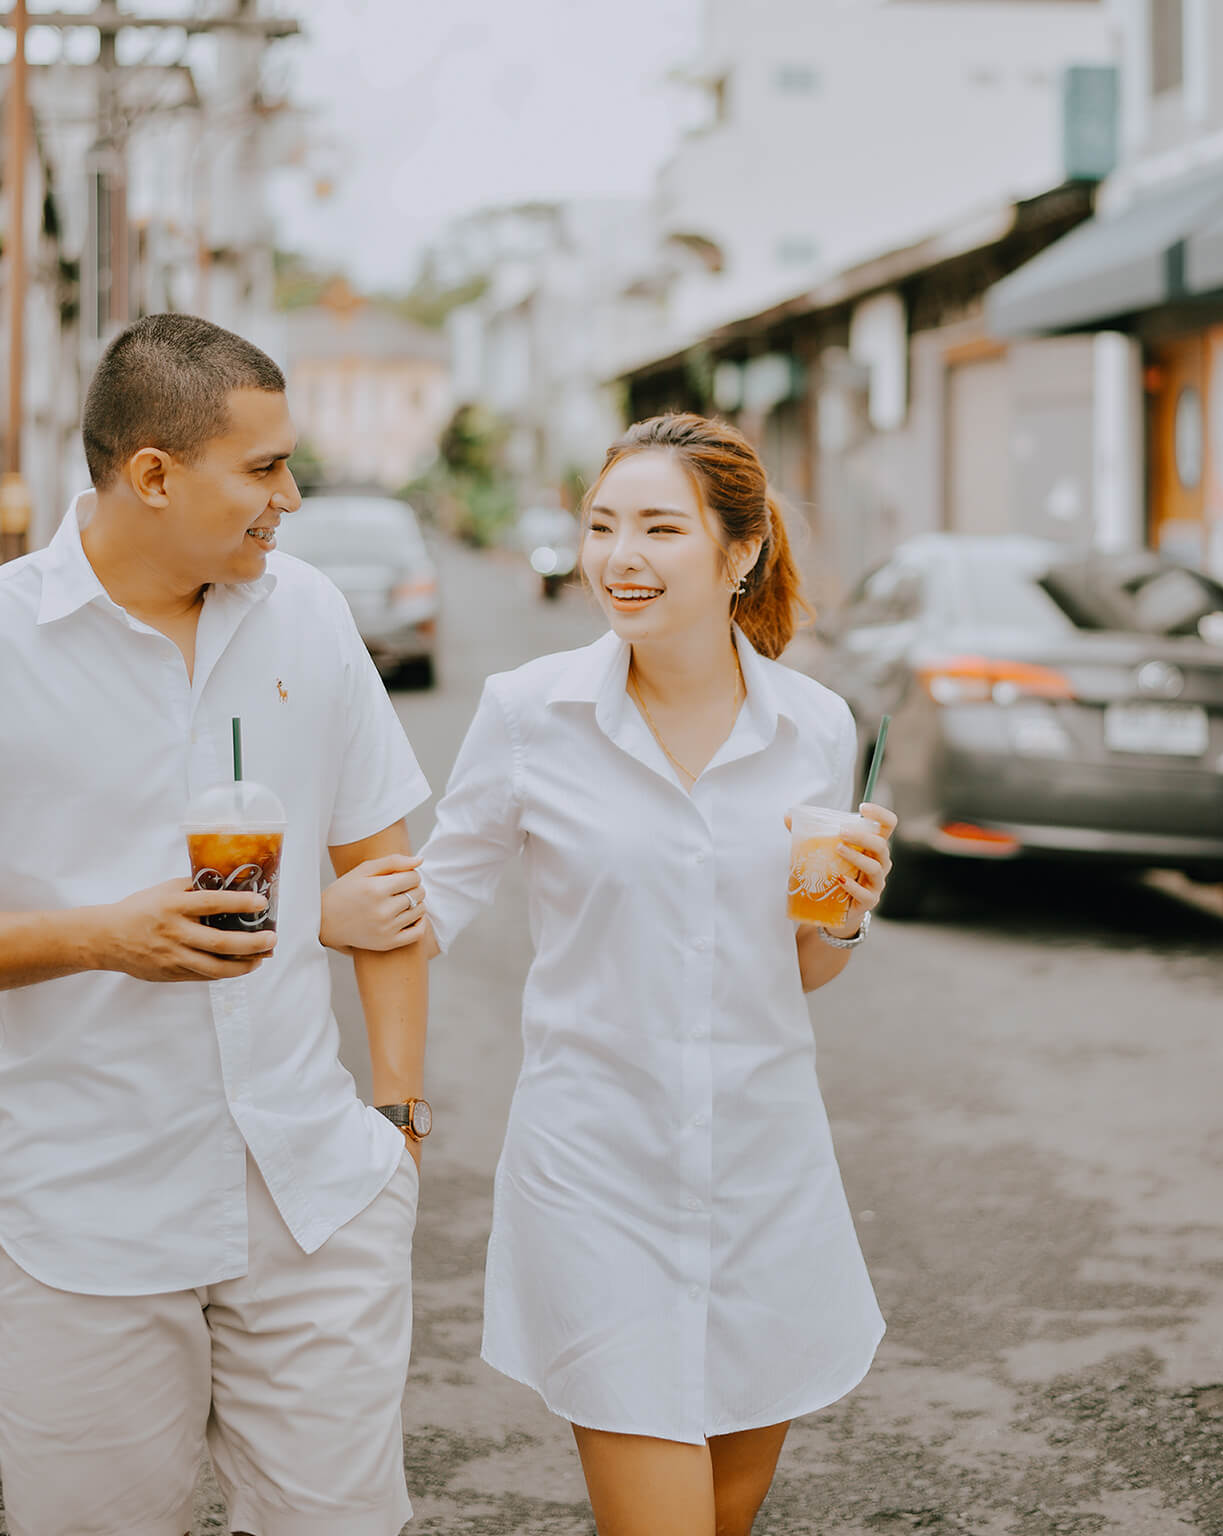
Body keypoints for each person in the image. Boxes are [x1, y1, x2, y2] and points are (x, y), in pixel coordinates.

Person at [419, 411, 891, 1536]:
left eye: (657, 528)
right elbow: (425, 902)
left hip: (764, 1175)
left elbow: (804, 969)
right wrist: (323, 917)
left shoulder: (814, 728)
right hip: (596, 1174)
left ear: (739, 552)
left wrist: (848, 912)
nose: (618, 556)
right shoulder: (530, 715)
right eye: (601, 525)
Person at [0, 313, 435, 1536]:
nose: (290, 496)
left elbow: (386, 872)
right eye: (263, 468)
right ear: (151, 473)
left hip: (313, 1192)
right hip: (80, 1210)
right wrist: (99, 936)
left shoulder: (305, 613)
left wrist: (395, 1120)